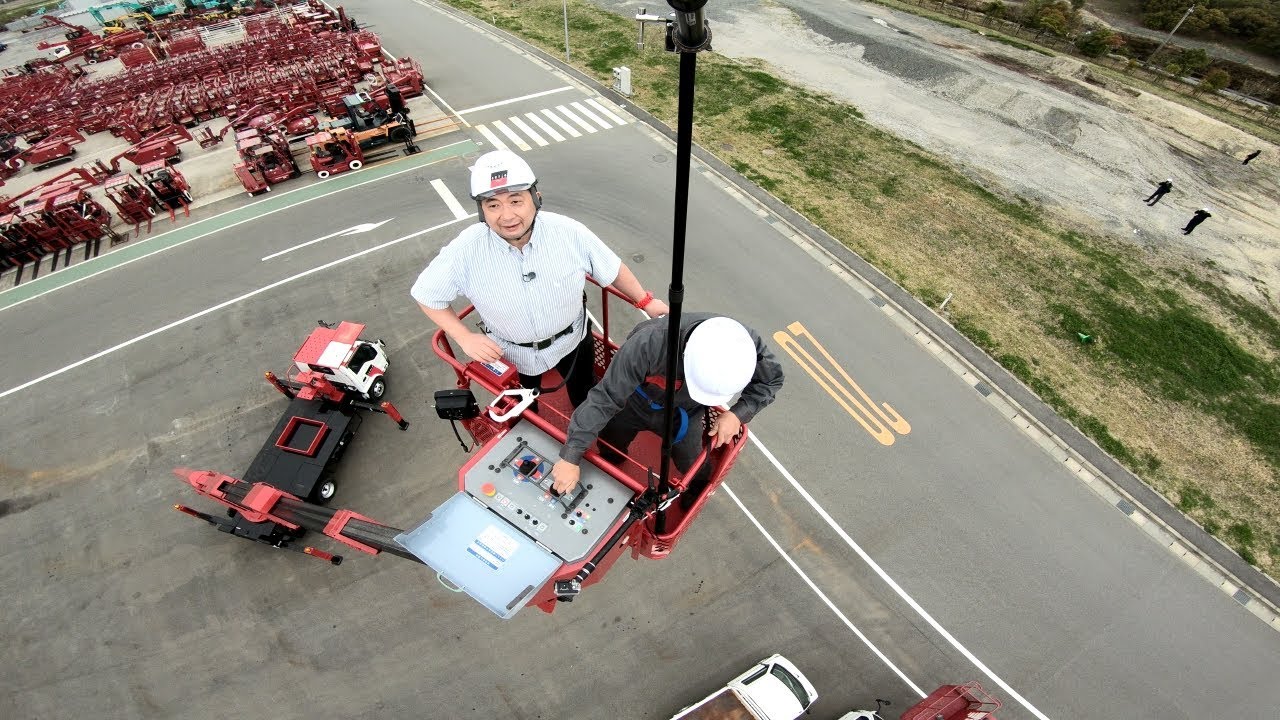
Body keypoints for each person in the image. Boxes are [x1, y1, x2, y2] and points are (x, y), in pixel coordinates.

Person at [411, 150, 669, 408]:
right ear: (482, 211)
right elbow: (427, 295)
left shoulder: (569, 232)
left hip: (573, 340)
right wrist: (464, 337)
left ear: (536, 198)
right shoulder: (466, 249)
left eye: (515, 201)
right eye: (493, 205)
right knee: (523, 408)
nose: (507, 216)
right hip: (512, 352)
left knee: (585, 392)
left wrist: (645, 301)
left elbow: (611, 267)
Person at [550, 313, 784, 501]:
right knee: (611, 440)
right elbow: (605, 398)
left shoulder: (746, 346)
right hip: (634, 400)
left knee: (694, 466)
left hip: (685, 414)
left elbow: (771, 380)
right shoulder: (648, 343)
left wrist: (737, 413)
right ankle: (612, 466)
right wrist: (571, 456)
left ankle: (692, 493)